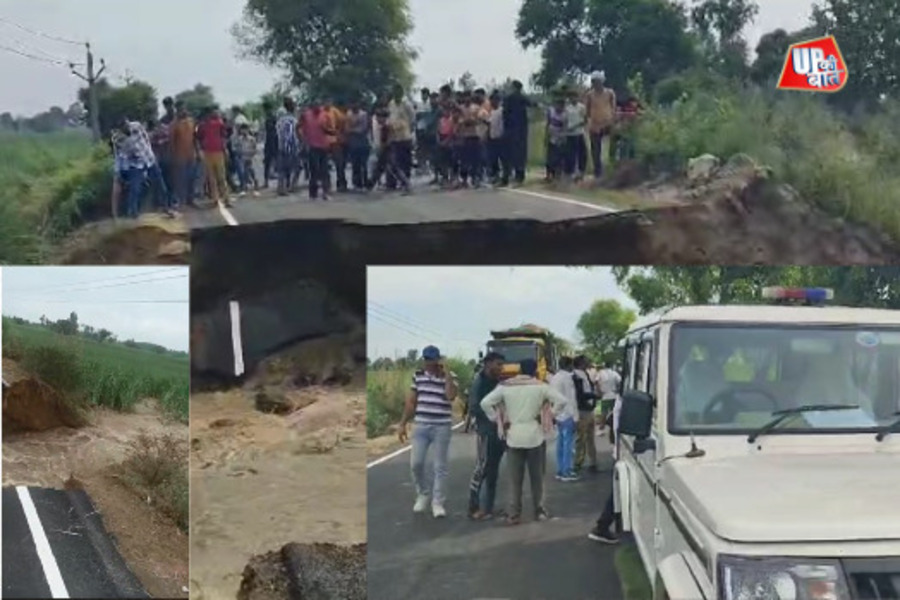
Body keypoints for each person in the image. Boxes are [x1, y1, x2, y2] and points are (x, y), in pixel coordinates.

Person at [481, 358, 569, 525]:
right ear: (535, 370)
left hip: (513, 435)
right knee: (538, 478)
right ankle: (540, 511)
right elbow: (562, 401)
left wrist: (497, 419)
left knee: (514, 479)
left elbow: (485, 403)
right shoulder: (541, 386)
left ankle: (514, 514)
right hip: (535, 435)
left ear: (519, 369)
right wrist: (549, 415)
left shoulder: (506, 386)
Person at [398, 345, 459, 519]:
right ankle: (423, 492)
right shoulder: (417, 376)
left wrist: (446, 375)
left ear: (438, 360)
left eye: (432, 360)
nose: (429, 364)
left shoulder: (451, 377)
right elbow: (411, 402)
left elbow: (450, 396)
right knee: (416, 464)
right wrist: (402, 423)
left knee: (440, 466)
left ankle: (438, 502)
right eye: (426, 360)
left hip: (442, 426)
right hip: (421, 425)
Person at [467, 352, 507, 520]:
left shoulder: (497, 382)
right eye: (498, 364)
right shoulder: (479, 381)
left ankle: (488, 507)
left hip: (498, 431)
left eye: (501, 365)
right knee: (481, 469)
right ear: (488, 363)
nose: (500, 368)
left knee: (493, 471)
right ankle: (473, 507)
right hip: (486, 431)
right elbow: (474, 407)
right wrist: (493, 419)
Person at [588, 382, 623, 544]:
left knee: (618, 493)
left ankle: (604, 526)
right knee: (618, 494)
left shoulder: (620, 401)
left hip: (621, 450)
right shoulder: (623, 403)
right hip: (624, 452)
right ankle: (602, 526)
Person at [549, 356, 579, 481]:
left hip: (558, 414)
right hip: (568, 413)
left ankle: (561, 469)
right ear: (569, 365)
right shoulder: (567, 378)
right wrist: (575, 416)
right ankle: (566, 471)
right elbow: (571, 399)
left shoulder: (554, 378)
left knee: (560, 443)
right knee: (568, 444)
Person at [196, 107, 231, 207]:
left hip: (217, 152)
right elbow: (198, 138)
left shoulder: (219, 123)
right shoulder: (202, 125)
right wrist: (200, 150)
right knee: (212, 178)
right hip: (208, 153)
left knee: (221, 177)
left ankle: (225, 198)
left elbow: (224, 137)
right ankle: (216, 199)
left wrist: (225, 150)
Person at [585, 70, 616, 179]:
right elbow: (587, 111)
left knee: (608, 149)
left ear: (602, 82)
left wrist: (612, 121)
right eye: (593, 81)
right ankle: (597, 173)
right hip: (594, 126)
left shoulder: (610, 93)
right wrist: (590, 124)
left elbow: (613, 108)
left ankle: (609, 171)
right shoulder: (589, 95)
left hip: (607, 124)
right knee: (595, 151)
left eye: (597, 81)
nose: (595, 84)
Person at [501, 80, 532, 185]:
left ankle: (509, 174)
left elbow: (504, 114)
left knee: (509, 152)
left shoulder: (508, 98)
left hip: (511, 128)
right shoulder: (523, 98)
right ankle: (520, 174)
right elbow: (532, 104)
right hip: (522, 128)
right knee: (521, 152)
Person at [169, 100, 198, 207]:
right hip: (179, 156)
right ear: (177, 110)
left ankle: (190, 199)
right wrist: (173, 156)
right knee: (179, 180)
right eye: (181, 109)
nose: (183, 111)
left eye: (184, 108)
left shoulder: (191, 121)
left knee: (192, 178)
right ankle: (178, 200)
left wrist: (198, 152)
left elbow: (195, 138)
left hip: (191, 154)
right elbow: (171, 142)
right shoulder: (174, 124)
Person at [573, 355, 599, 474]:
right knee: (584, 438)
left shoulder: (584, 374)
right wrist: (594, 396)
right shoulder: (577, 376)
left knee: (587, 438)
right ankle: (580, 461)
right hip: (583, 409)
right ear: (581, 363)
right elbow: (580, 394)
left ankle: (589, 461)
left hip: (587, 409)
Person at [301, 101, 332, 201]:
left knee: (324, 170)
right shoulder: (306, 115)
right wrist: (303, 140)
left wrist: (327, 130)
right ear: (312, 107)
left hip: (324, 146)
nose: (317, 108)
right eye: (315, 106)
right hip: (312, 146)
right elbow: (299, 127)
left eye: (319, 106)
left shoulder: (325, 115)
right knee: (314, 170)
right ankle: (313, 193)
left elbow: (330, 129)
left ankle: (325, 193)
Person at [387, 84, 415, 186]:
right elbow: (390, 118)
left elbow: (412, 119)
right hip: (394, 137)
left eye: (398, 92)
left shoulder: (407, 104)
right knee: (395, 162)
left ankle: (406, 182)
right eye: (395, 91)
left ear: (402, 93)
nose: (396, 94)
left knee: (406, 161)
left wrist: (409, 131)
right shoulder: (391, 104)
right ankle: (402, 182)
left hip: (405, 136)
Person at [275, 98, 300, 196]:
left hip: (281, 146)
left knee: (282, 169)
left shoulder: (280, 120)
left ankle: (281, 188)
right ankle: (292, 187)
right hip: (291, 146)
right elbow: (291, 135)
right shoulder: (293, 120)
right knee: (297, 167)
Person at [344, 99, 371, 191]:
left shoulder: (363, 114)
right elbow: (347, 129)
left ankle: (365, 183)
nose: (354, 105)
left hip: (362, 143)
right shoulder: (348, 114)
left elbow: (363, 129)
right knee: (355, 164)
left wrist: (352, 130)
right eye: (352, 103)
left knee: (364, 164)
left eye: (355, 103)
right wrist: (354, 130)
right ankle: (357, 184)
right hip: (353, 143)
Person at [564, 90, 588, 180]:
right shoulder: (567, 108)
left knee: (582, 153)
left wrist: (575, 126)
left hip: (579, 132)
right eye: (571, 97)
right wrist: (565, 131)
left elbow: (585, 120)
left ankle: (581, 171)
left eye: (575, 97)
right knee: (571, 154)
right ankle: (570, 172)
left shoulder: (581, 107)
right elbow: (565, 121)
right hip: (570, 134)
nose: (573, 99)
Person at [233, 123, 260, 196]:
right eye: (242, 130)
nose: (244, 131)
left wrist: (251, 153)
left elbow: (255, 149)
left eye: (245, 129)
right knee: (243, 173)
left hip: (250, 158)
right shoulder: (239, 139)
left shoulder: (252, 139)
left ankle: (256, 187)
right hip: (242, 158)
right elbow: (236, 149)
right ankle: (244, 188)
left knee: (253, 173)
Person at [545, 94, 568, 182]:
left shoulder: (565, 115)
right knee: (549, 157)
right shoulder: (551, 111)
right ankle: (548, 174)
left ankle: (556, 175)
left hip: (559, 138)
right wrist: (546, 136)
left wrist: (563, 138)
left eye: (561, 105)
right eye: (558, 105)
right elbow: (548, 123)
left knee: (558, 158)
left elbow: (565, 127)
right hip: (551, 136)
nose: (560, 107)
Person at [596, 362, 622, 436]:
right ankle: (613, 429)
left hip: (604, 396)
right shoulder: (614, 373)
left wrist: (599, 392)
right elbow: (620, 381)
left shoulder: (600, 373)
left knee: (603, 413)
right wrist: (617, 389)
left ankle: (601, 429)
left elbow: (596, 382)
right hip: (614, 396)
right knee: (613, 414)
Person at [486, 92, 506, 186]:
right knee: (493, 159)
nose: (492, 102)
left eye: (493, 100)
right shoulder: (492, 112)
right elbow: (490, 124)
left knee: (502, 159)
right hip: (492, 138)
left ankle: (503, 177)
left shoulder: (501, 111)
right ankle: (495, 176)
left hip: (500, 138)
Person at [262, 100, 278, 188]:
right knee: (272, 161)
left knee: (268, 162)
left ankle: (266, 181)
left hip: (270, 141)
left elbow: (270, 129)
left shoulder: (269, 117)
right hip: (273, 141)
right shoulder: (273, 116)